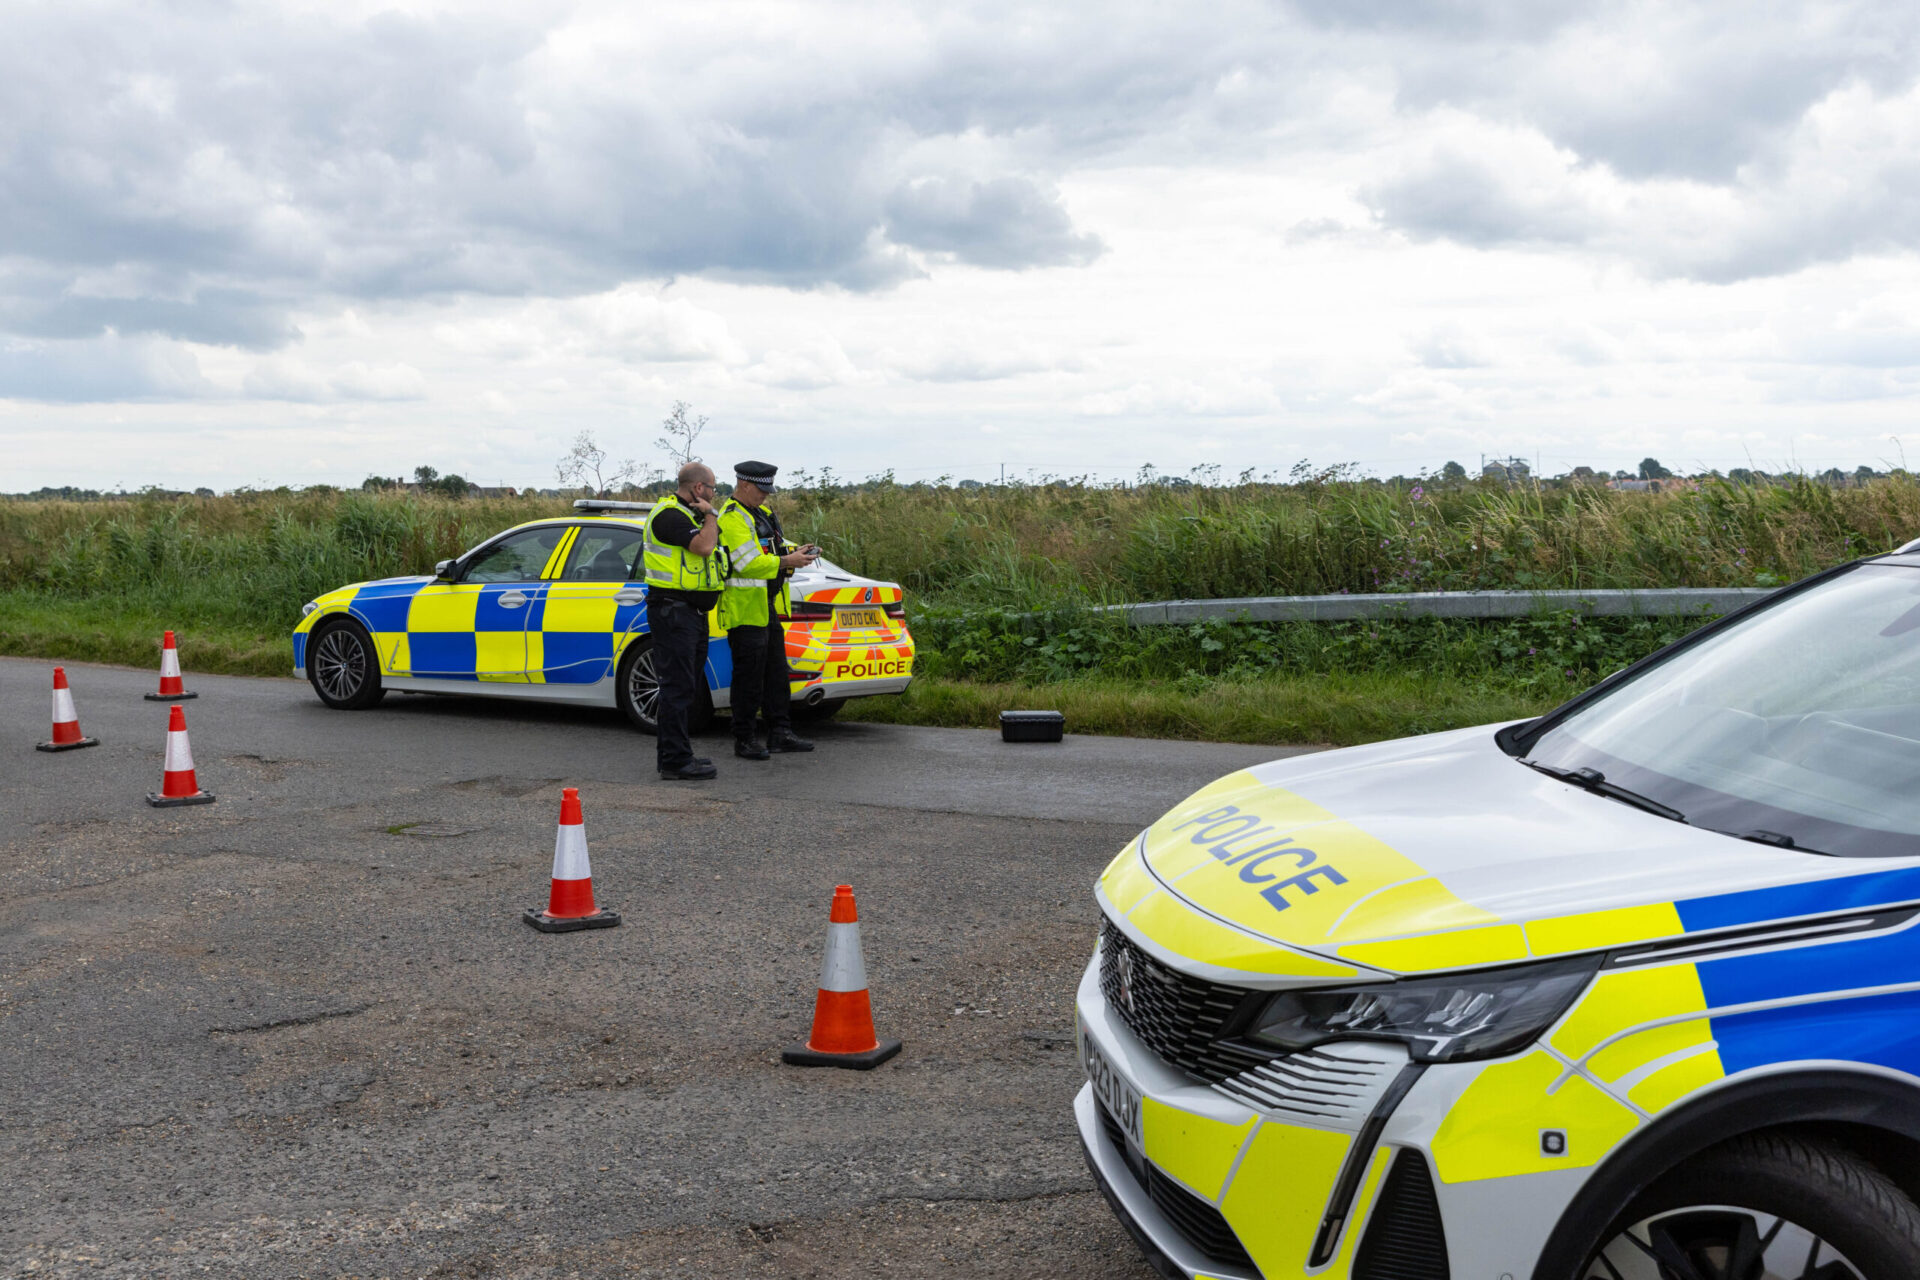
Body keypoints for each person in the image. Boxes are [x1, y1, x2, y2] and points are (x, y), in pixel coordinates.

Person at [717, 461, 819, 759]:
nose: (765, 496)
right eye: (761, 490)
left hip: (766, 606)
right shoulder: (733, 518)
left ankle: (780, 733)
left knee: (776, 674)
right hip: (745, 609)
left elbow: (774, 547)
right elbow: (747, 562)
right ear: (744, 485)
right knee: (748, 678)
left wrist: (798, 551)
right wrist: (788, 562)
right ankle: (745, 739)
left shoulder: (758, 514)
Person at [641, 462, 726, 780]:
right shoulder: (669, 515)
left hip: (690, 612)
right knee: (676, 687)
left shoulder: (688, 515)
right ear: (699, 488)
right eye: (714, 489)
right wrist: (711, 515)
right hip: (673, 611)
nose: (715, 496)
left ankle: (678, 754)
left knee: (685, 686)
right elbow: (705, 546)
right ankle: (675, 761)